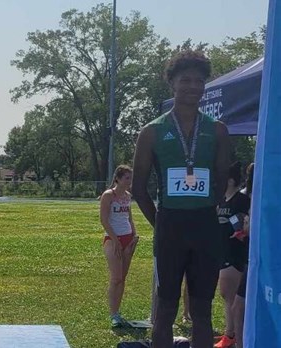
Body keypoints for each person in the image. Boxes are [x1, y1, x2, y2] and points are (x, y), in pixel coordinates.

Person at [132, 50, 230, 348]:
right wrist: (160, 221)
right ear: (171, 83)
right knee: (165, 310)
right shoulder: (152, 131)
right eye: (185, 80)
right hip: (170, 228)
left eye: (199, 81)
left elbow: (222, 180)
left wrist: (204, 211)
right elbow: (138, 188)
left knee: (202, 312)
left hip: (205, 227)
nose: (192, 87)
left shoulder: (217, 130)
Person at [214, 162, 250, 348]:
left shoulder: (242, 200)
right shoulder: (221, 199)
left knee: (230, 295)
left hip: (236, 252)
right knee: (225, 295)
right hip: (221, 250)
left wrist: (241, 230)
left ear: (229, 180)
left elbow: (245, 222)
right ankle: (230, 332)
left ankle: (232, 334)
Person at [100, 165, 139, 328]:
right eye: (127, 178)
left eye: (131, 178)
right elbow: (104, 220)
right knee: (116, 277)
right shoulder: (109, 195)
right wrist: (115, 240)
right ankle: (113, 314)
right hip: (112, 239)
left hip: (128, 238)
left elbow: (129, 218)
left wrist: (134, 236)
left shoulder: (128, 196)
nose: (129, 181)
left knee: (122, 278)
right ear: (118, 179)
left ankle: (118, 312)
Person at [232, 162, 254, 348]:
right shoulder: (246, 196)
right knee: (238, 307)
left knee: (239, 308)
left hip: (258, 259)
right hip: (250, 257)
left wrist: (247, 227)